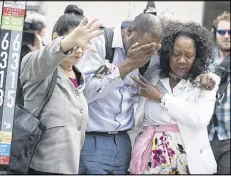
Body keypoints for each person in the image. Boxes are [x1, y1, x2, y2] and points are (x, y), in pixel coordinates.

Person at [128, 20, 220, 174]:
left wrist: (162, 98)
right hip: (150, 162)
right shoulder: (153, 76)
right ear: (167, 53)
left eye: (189, 55)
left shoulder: (207, 82)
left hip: (188, 163)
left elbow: (200, 118)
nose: (182, 60)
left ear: (198, 56)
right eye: (176, 54)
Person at [19, 5, 103, 174]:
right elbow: (46, 57)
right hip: (40, 168)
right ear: (56, 37)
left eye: (84, 44)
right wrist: (67, 42)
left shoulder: (80, 78)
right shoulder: (37, 66)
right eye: (75, 43)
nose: (79, 51)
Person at [78, 13, 164, 174]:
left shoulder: (151, 54)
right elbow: (84, 93)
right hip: (93, 139)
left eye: (150, 50)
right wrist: (126, 66)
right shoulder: (100, 42)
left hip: (124, 140)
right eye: (141, 47)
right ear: (129, 31)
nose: (144, 53)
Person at [208, 11, 230, 174]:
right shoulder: (206, 62)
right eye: (222, 31)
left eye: (230, 32)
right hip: (207, 136)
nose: (226, 36)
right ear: (214, 33)